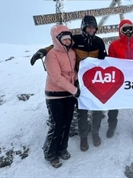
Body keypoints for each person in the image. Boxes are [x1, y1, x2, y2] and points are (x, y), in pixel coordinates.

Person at [31, 15, 107, 152]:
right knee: (82, 110)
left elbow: (105, 61)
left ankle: (95, 133)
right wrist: (43, 51)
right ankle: (83, 137)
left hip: (96, 81)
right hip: (80, 81)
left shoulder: (99, 42)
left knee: (97, 109)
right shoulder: (75, 40)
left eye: (93, 27)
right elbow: (58, 44)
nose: (91, 29)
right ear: (83, 27)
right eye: (89, 27)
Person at [43, 24, 79, 168]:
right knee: (57, 125)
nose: (67, 41)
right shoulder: (51, 55)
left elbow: (73, 71)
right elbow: (57, 77)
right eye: (63, 39)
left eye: (68, 39)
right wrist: (74, 90)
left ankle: (62, 148)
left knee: (67, 123)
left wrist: (76, 79)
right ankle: (51, 153)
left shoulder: (71, 53)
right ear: (57, 39)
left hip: (69, 94)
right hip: (55, 95)